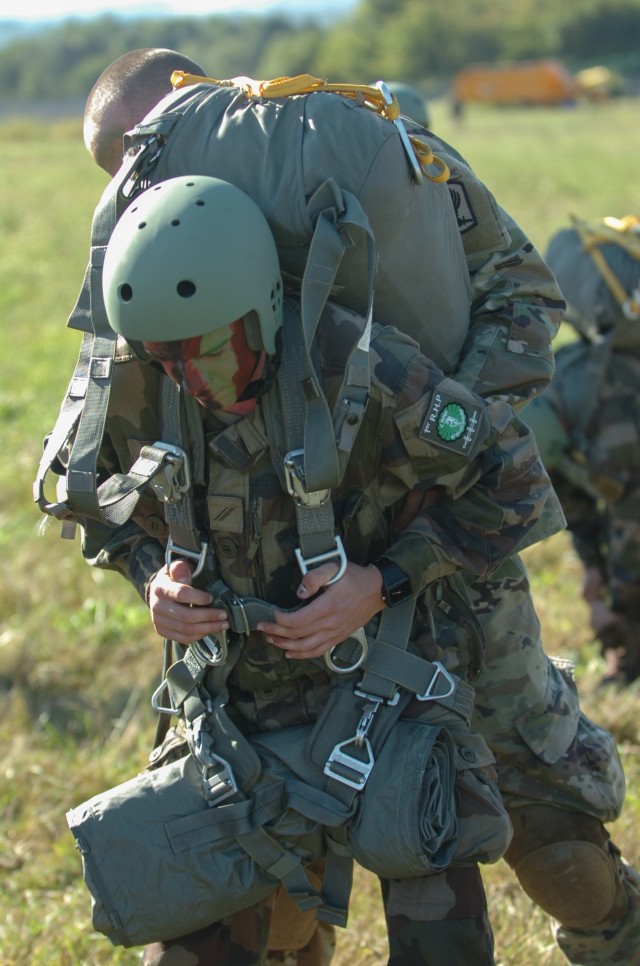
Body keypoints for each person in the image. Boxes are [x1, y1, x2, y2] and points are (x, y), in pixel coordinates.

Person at [75, 50, 640, 965]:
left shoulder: (354, 163)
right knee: (256, 875)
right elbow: (103, 475)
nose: (143, 176)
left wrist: (427, 430)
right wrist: (159, 571)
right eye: (124, 167)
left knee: (554, 848)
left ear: (203, 103)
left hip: (442, 578)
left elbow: (525, 298)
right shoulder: (163, 259)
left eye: (156, 144)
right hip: (264, 613)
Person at [525, 215, 640, 688]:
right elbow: (579, 510)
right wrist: (593, 569)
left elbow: (630, 530)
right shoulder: (561, 439)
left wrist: (612, 603)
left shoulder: (609, 424)